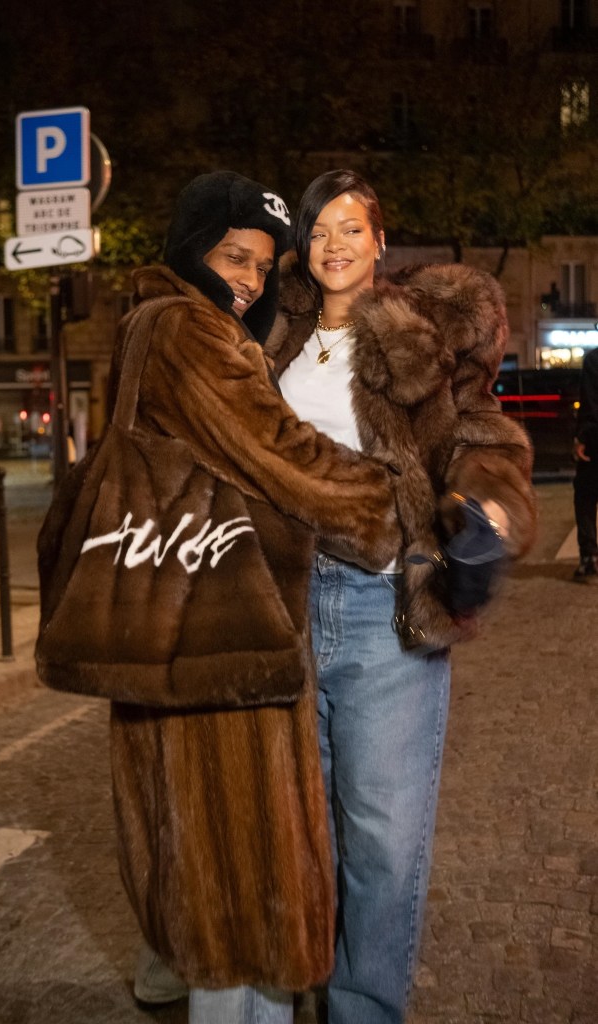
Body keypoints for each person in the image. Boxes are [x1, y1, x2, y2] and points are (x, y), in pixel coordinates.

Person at [103, 171, 400, 1024]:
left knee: (201, 861)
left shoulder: (151, 323)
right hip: (213, 632)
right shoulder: (191, 331)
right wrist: (387, 504)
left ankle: (185, 965)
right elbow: (274, 451)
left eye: (264, 267)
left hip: (171, 618)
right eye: (235, 256)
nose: (249, 279)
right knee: (240, 882)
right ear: (191, 247)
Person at [265, 169, 538, 1024]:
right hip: (280, 607)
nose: (334, 244)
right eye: (318, 231)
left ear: (380, 243)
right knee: (293, 831)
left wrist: (486, 504)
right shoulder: (270, 339)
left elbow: (476, 434)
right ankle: (293, 978)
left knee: (381, 840)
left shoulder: (415, 336)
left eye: (351, 228)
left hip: (384, 610)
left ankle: (361, 1010)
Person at [572, 347, 598, 580]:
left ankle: (589, 557)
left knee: (586, 494)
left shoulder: (594, 360)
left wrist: (583, 437)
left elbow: (590, 404)